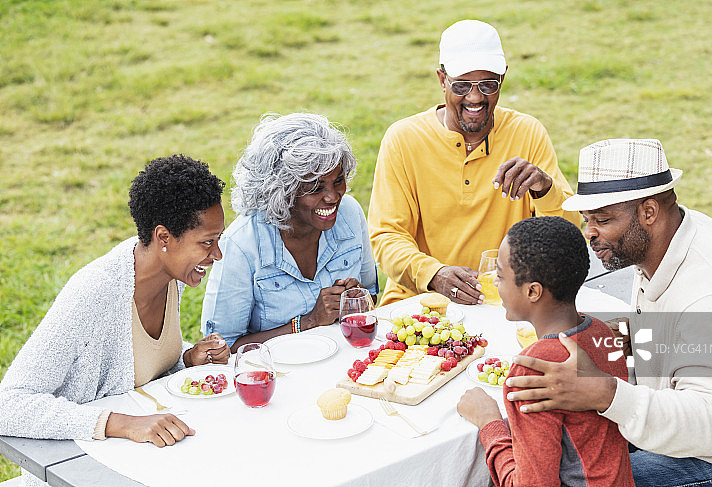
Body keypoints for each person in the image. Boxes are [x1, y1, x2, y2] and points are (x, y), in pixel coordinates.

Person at [505, 139, 712, 486]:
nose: (590, 234)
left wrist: (603, 392)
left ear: (648, 212)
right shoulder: (667, 237)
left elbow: (711, 424)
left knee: (572, 478)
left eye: (602, 220)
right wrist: (616, 340)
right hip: (695, 440)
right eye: (587, 220)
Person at [0, 155, 230, 486]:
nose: (217, 254)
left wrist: (187, 357)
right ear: (163, 237)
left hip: (145, 462)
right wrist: (122, 423)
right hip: (80, 472)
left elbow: (136, 363)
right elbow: (8, 404)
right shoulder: (96, 292)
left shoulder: (169, 276)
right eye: (207, 242)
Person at [368, 19, 580, 306]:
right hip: (418, 301)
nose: (475, 97)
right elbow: (385, 237)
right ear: (442, 80)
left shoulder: (527, 132)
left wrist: (545, 189)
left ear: (503, 78)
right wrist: (434, 274)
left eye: (488, 84)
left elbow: (567, 237)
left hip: (504, 301)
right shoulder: (403, 139)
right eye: (462, 85)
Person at [457, 216, 634, 487]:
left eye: (501, 275)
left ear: (533, 291)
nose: (494, 281)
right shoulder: (603, 333)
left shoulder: (534, 370)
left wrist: (489, 423)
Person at [201, 113, 379, 351]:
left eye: (338, 181)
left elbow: (372, 295)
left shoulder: (349, 213)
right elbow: (223, 349)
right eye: (315, 187)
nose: (333, 196)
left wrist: (355, 301)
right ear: (281, 191)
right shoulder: (242, 244)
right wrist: (308, 322)